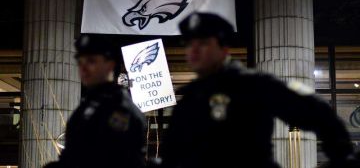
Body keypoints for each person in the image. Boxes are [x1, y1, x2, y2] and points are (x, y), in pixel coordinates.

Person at [161, 13, 354, 168]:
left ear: (224, 48)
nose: (193, 50)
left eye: (202, 42)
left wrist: (342, 156)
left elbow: (318, 111)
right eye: (188, 43)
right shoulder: (190, 97)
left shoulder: (253, 84)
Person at [44, 35, 146, 168]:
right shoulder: (87, 106)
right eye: (80, 62)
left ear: (110, 64)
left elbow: (110, 158)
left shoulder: (121, 109)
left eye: (91, 61)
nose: (83, 68)